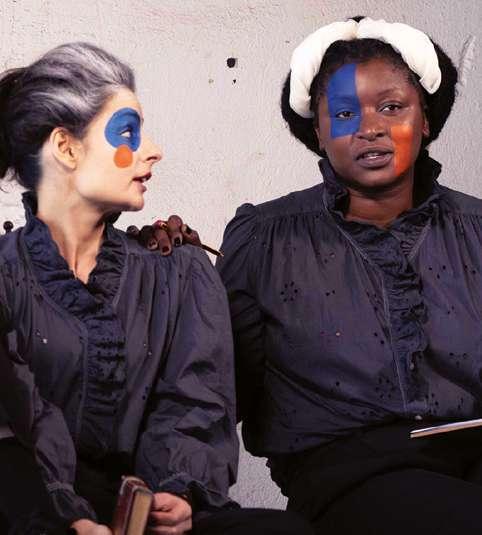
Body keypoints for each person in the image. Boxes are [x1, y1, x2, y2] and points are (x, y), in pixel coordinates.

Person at [134, 15, 482, 535]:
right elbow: (212, 389)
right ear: (318, 132)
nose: (370, 127)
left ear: (426, 119)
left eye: (392, 107)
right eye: (343, 113)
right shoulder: (266, 238)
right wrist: (159, 287)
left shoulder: (476, 228)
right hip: (351, 477)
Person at [0, 43, 313, 535]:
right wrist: (67, 519)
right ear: (66, 147)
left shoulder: (177, 273)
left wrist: (178, 493)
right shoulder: (6, 278)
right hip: (27, 510)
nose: (153, 150)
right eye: (127, 131)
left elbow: (192, 404)